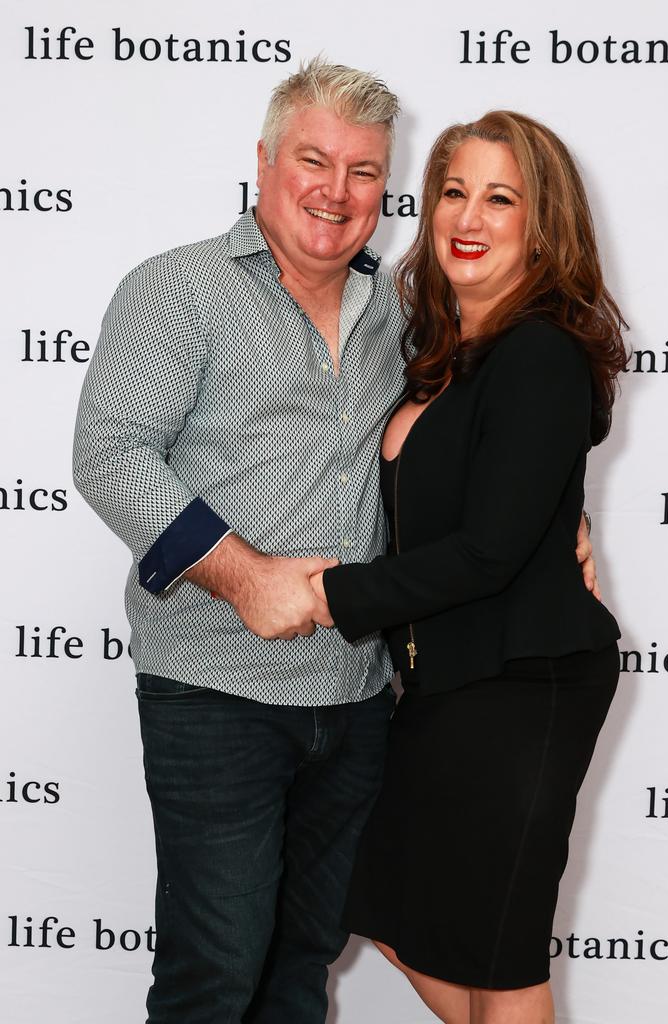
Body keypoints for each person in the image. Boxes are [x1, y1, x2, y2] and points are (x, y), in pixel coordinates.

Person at [72, 59, 600, 1024]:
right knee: (215, 972)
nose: (337, 190)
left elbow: (489, 446)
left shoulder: (403, 313)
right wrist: (241, 578)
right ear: (264, 161)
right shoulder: (177, 290)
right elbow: (109, 456)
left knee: (303, 964)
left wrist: (564, 519)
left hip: (359, 701)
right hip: (216, 692)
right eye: (313, 159)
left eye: (364, 171)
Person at [310, 111, 628, 1024]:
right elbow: (499, 496)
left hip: (527, 684)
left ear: (543, 224)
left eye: (501, 198)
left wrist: (331, 597)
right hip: (453, 682)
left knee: (503, 960)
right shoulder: (444, 353)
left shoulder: (537, 352)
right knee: (393, 907)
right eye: (454, 191)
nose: (470, 216)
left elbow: (489, 550)